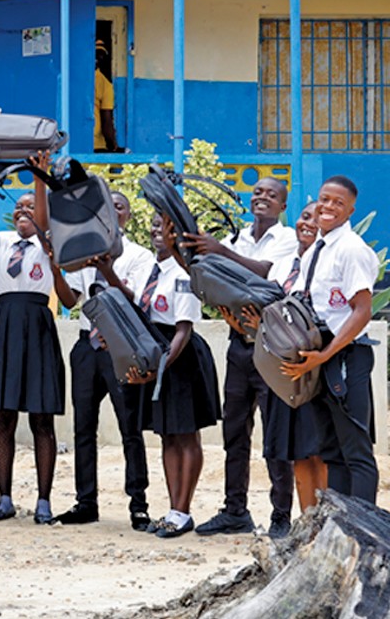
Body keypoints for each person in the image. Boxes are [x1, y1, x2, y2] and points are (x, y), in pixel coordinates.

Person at [182, 178, 299, 538]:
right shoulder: (237, 238)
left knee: (275, 437)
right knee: (234, 431)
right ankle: (235, 510)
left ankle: (281, 515)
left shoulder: (288, 238)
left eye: (272, 195)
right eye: (258, 192)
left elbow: (266, 275)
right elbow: (213, 277)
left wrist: (220, 251)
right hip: (238, 343)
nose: (263, 197)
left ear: (282, 206)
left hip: (270, 344)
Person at [49, 191, 154, 530]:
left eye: (119, 207)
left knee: (130, 429)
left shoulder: (139, 256)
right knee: (83, 427)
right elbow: (71, 300)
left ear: (125, 217)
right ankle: (86, 501)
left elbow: (133, 301)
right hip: (87, 346)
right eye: (106, 207)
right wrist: (57, 269)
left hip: (120, 347)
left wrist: (108, 270)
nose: (112, 212)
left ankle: (138, 504)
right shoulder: (83, 251)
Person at [283, 176, 379, 506]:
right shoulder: (316, 251)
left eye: (338, 203)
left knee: (356, 452)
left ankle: (364, 534)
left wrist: (325, 355)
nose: (328, 207)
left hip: (344, 358)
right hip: (319, 359)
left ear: (351, 210)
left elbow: (362, 311)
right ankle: (339, 527)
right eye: (325, 199)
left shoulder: (351, 250)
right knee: (331, 451)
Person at [0, 180, 65, 525]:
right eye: (18, 207)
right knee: (3, 417)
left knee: (42, 418)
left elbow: (42, 221)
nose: (22, 210)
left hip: (38, 326)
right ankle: (4, 498)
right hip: (6, 325)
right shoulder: (3, 241)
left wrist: (39, 183)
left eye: (30, 207)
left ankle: (44, 501)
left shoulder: (49, 246)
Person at [128, 213, 220, 538]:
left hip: (180, 358)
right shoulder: (146, 270)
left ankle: (183, 511)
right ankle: (171, 510)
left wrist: (162, 367)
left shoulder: (184, 273)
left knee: (186, 435)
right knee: (166, 434)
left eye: (166, 228)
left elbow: (183, 328)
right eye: (154, 225)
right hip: (156, 354)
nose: (157, 231)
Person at [243, 202, 328, 513]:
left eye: (318, 218)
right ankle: (307, 521)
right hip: (283, 373)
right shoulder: (281, 266)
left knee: (319, 449)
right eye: (306, 216)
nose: (310, 223)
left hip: (316, 369)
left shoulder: (328, 263)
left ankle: (327, 521)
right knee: (298, 451)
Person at [94, 39, 121, 153]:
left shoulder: (69, 80)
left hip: (72, 142)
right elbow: (107, 121)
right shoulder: (105, 84)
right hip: (97, 145)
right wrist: (113, 145)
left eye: (100, 55)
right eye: (97, 54)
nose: (98, 58)